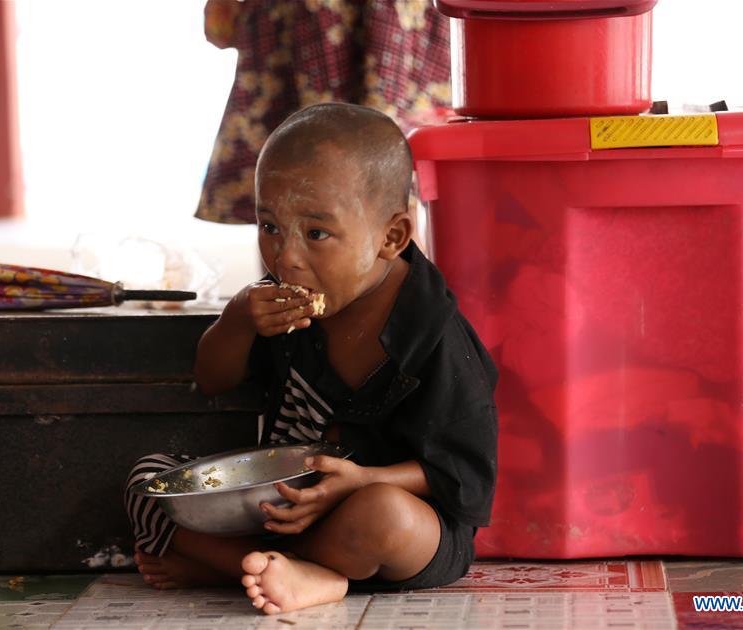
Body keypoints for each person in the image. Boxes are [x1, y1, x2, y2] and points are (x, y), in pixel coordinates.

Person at [124, 103, 497, 614]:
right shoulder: (281, 302)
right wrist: (238, 318)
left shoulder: (432, 335)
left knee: (385, 518)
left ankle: (256, 566)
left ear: (391, 237)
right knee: (149, 484)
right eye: (270, 227)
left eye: (316, 234)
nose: (286, 257)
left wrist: (366, 479)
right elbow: (212, 378)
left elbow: (463, 473)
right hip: (282, 506)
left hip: (388, 519)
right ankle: (289, 569)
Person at [196, 0, 452, 224]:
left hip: (392, 22)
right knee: (282, 180)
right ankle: (280, 281)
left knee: (395, 182)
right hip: (298, 19)